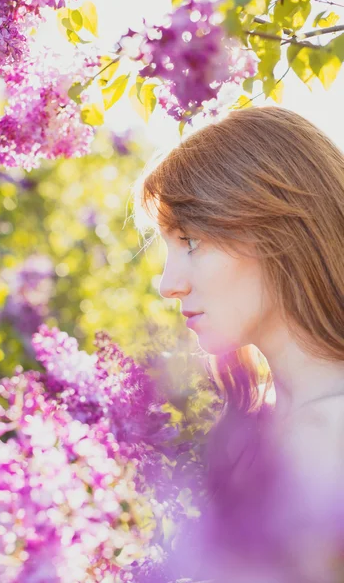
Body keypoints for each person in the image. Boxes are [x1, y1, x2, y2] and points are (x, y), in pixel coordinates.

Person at [132, 106, 344, 582]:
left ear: (279, 231)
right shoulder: (260, 433)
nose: (168, 284)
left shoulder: (331, 432)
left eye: (190, 241)